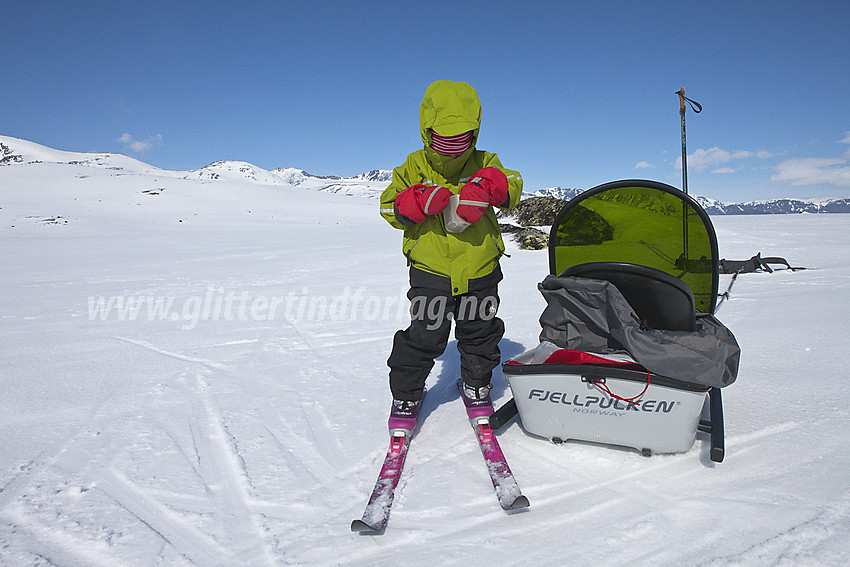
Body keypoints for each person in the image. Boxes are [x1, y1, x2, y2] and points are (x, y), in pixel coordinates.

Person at [379, 80, 522, 431]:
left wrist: (491, 186)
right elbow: (388, 206)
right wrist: (415, 202)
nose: (452, 150)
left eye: (461, 140)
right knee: (425, 335)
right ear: (427, 133)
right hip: (431, 271)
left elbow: (513, 185)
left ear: (474, 134)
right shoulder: (413, 166)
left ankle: (476, 385)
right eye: (443, 139)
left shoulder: (485, 161)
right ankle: (407, 393)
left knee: (480, 331)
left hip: (481, 267)